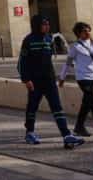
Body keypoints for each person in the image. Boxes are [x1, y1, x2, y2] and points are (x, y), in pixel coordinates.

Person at [18, 15, 84, 149]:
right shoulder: (28, 40)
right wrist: (26, 79)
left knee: (57, 107)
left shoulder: (49, 39)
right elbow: (21, 63)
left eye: (48, 24)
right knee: (32, 107)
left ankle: (66, 136)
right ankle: (29, 132)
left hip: (49, 80)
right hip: (35, 81)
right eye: (44, 24)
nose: (47, 27)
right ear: (37, 25)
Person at [58, 22, 93, 143]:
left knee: (87, 103)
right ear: (79, 33)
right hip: (83, 79)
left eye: (89, 30)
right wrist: (62, 78)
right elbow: (68, 63)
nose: (88, 32)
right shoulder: (75, 47)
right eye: (85, 30)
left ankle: (79, 127)